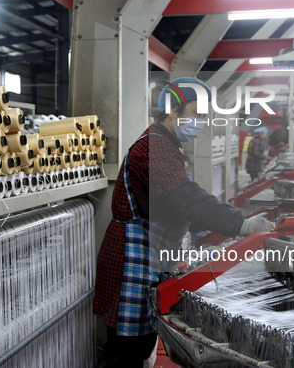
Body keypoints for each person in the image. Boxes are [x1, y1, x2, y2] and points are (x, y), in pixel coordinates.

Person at [93, 77, 273, 367]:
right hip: (131, 264)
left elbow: (174, 207)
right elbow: (186, 196)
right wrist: (240, 224)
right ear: (172, 111)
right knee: (125, 354)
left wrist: (210, 229)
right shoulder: (154, 148)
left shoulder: (167, 146)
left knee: (137, 350)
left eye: (204, 116)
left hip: (148, 260)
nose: (200, 121)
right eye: (195, 113)